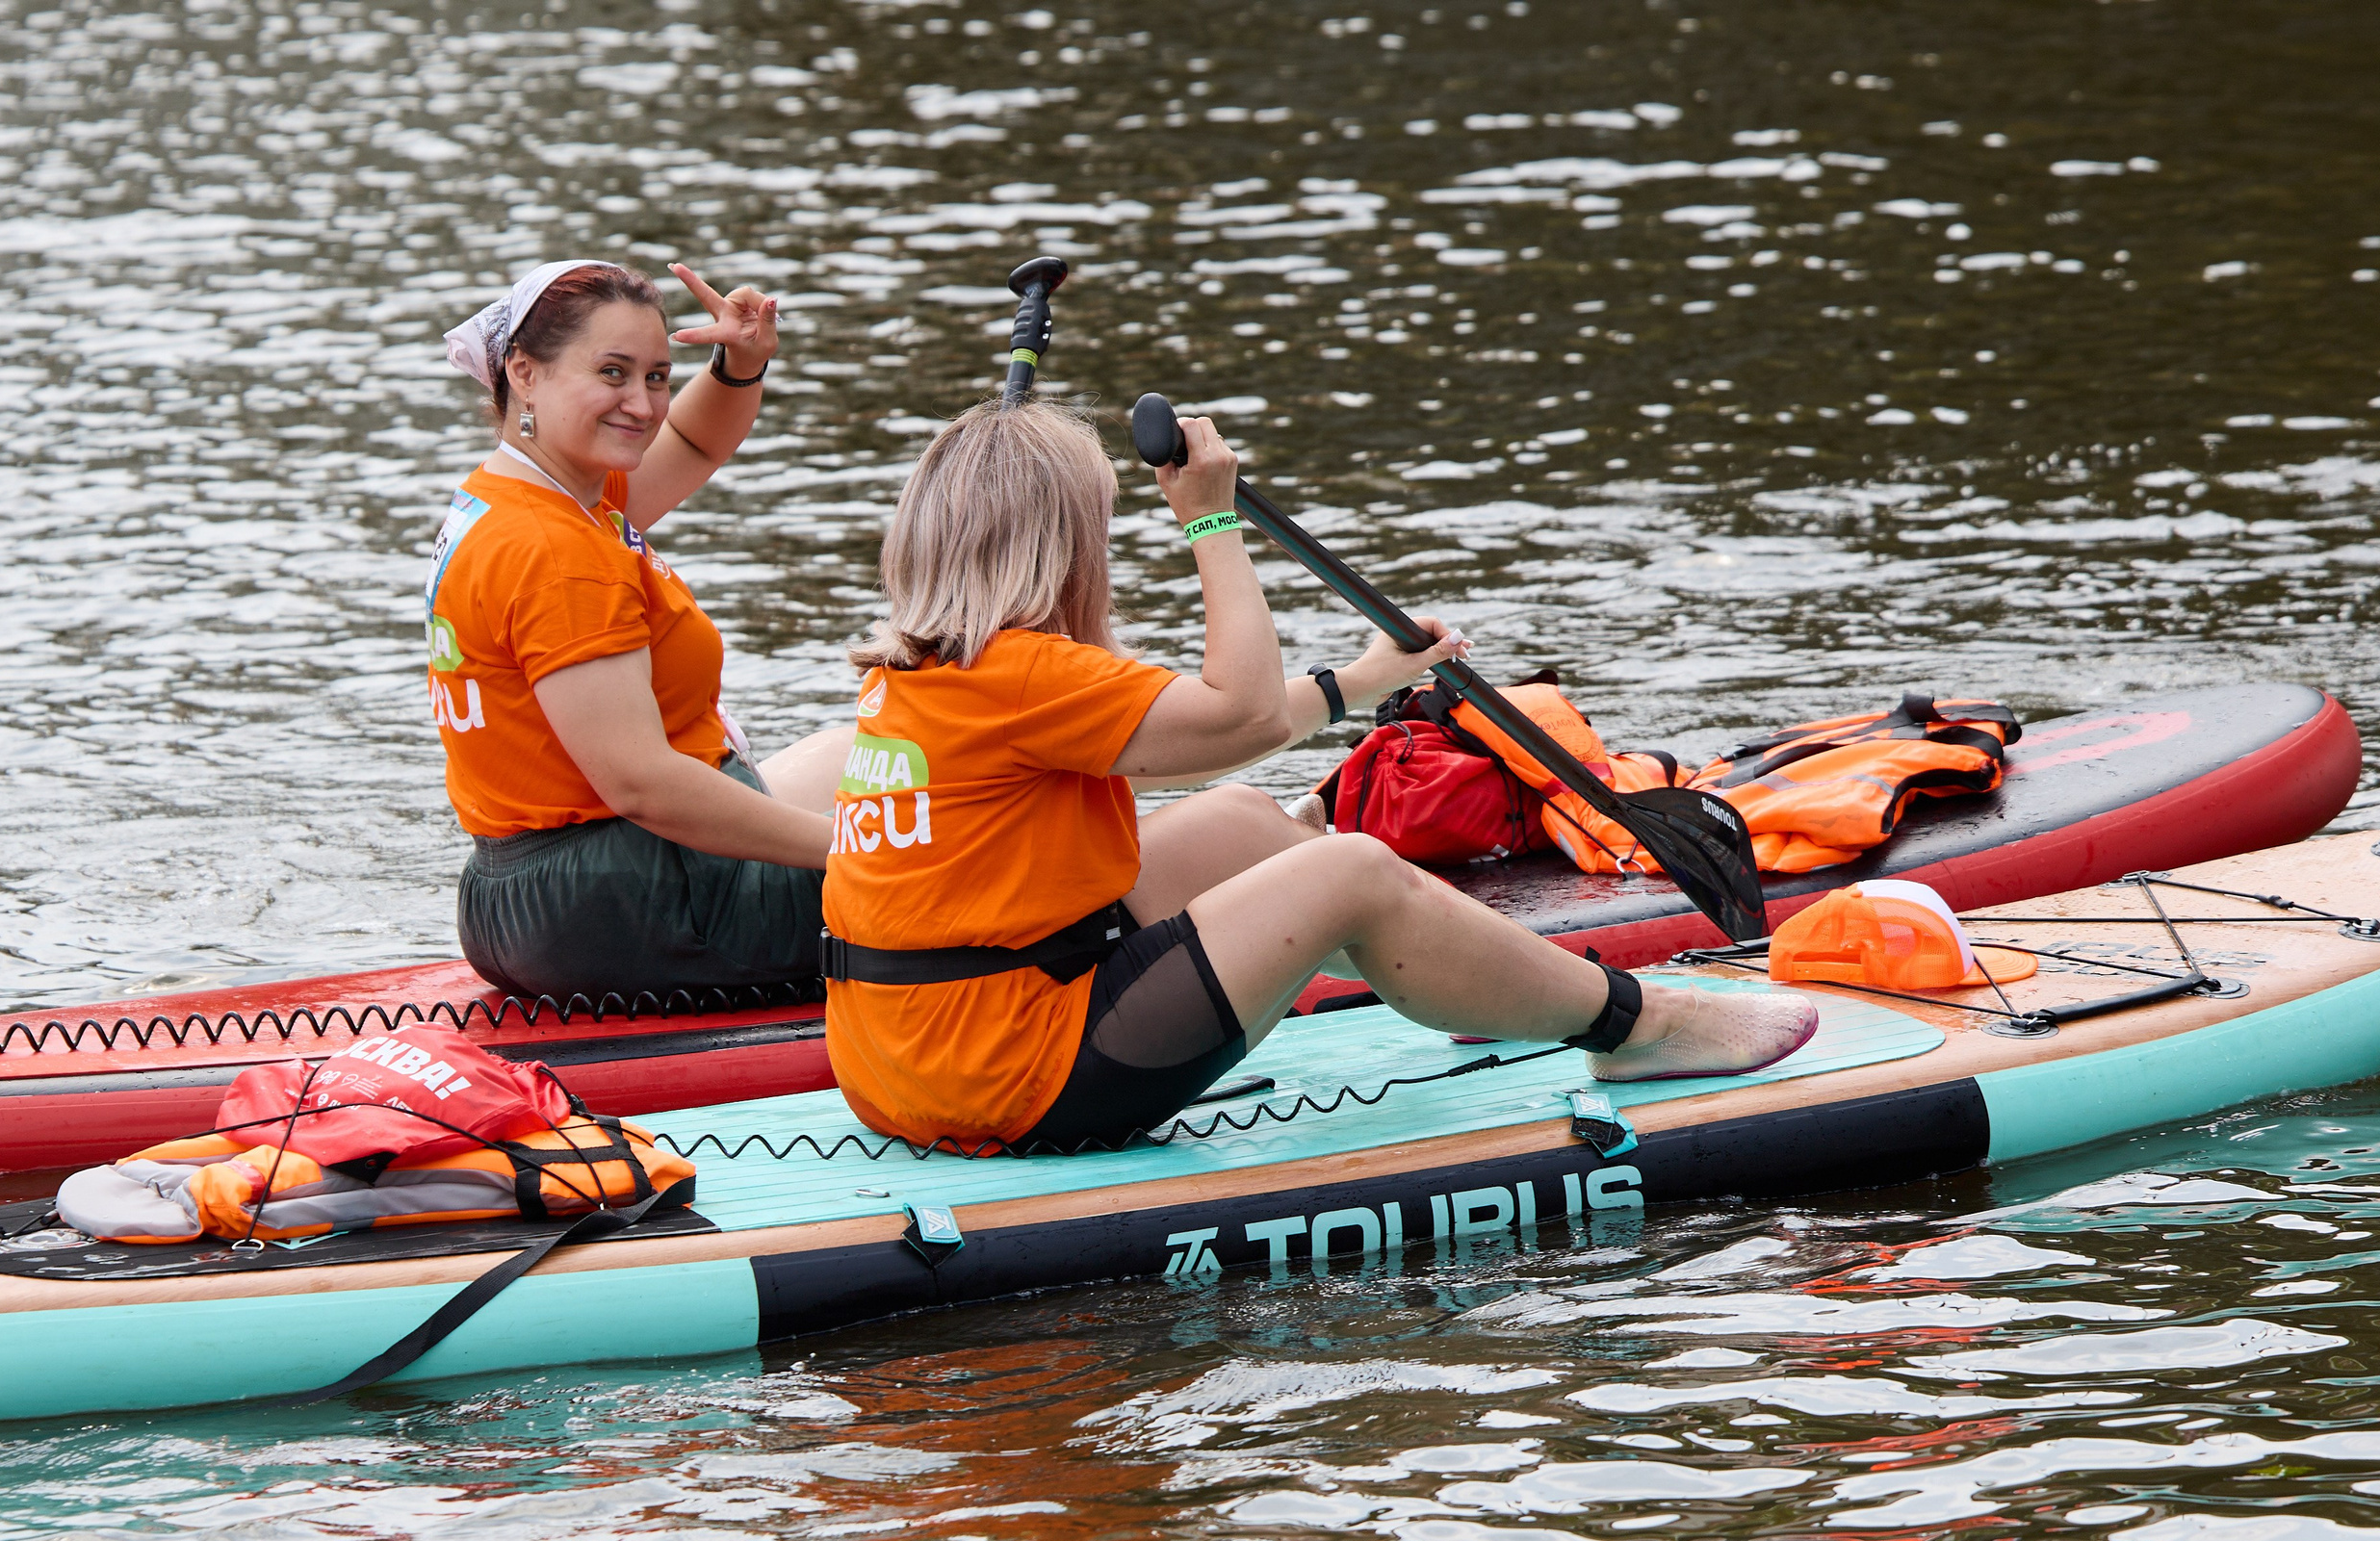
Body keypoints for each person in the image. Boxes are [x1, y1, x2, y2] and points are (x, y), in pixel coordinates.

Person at [819, 399, 1820, 1153]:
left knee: (1237, 819)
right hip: (1008, 1084)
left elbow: (1216, 733)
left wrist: (1364, 679)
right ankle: (1633, 1024)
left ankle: (1486, 984)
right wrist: (1209, 521)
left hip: (899, 1065)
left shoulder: (929, 671)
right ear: (1065, 549)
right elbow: (1245, 712)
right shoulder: (1026, 675)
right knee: (1348, 871)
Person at [427, 258, 846, 1000]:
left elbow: (694, 443)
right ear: (524, 372)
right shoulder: (556, 550)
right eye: (612, 372)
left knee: (879, 751)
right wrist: (859, 852)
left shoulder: (534, 495)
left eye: (656, 376)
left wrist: (741, 364)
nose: (644, 404)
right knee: (981, 856)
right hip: (617, 899)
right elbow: (642, 784)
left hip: (519, 892)